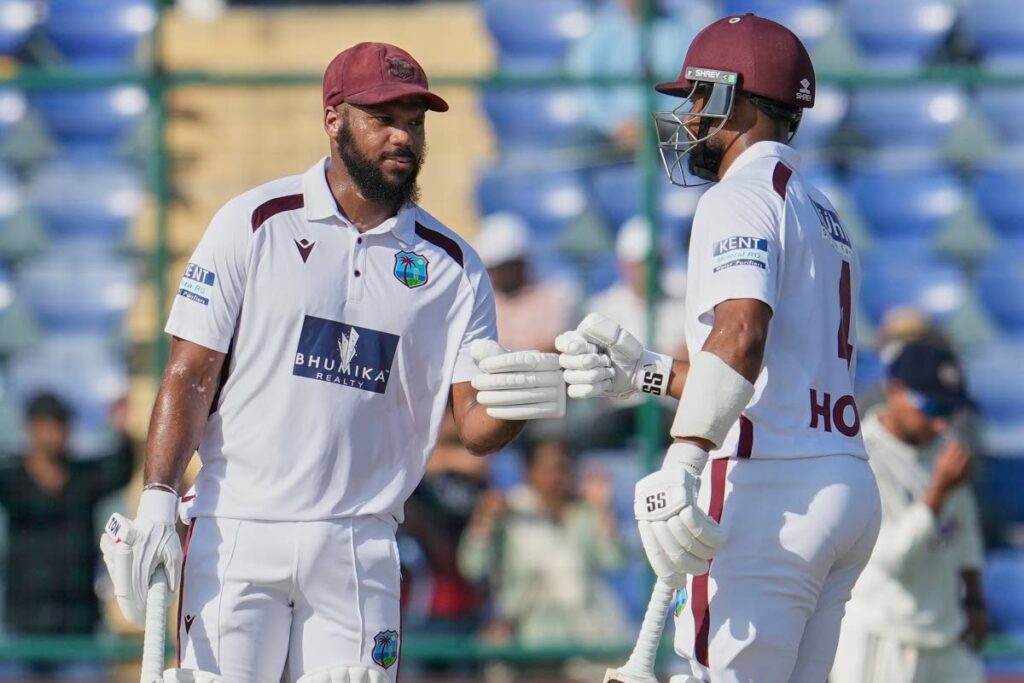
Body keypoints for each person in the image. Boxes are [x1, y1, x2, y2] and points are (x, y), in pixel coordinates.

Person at [99, 42, 565, 683]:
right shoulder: (255, 223)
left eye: (416, 121)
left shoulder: (453, 268)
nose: (404, 136)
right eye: (385, 118)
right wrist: (156, 500)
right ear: (334, 118)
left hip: (360, 542)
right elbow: (189, 373)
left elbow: (476, 426)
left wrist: (523, 404)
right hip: (238, 529)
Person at [557, 14, 881, 683]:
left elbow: (742, 334)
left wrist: (685, 453)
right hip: (841, 477)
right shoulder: (822, 209)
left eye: (697, 97)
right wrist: (645, 374)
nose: (688, 116)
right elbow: (761, 370)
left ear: (735, 97)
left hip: (770, 486)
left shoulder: (739, 197)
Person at [832, 342, 987, 683]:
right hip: (881, 635)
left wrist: (975, 601)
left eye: (949, 411)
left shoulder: (946, 449)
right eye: (931, 407)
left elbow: (965, 530)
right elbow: (892, 558)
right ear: (895, 390)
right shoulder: (859, 455)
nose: (940, 424)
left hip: (948, 636)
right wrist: (938, 492)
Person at [0, 393, 133, 680]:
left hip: (78, 629)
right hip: (23, 629)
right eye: (48, 424)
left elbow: (120, 468)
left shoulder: (82, 478)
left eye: (61, 424)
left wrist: (122, 427)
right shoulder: (13, 479)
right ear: (31, 427)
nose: (56, 433)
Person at [458, 439, 627, 646]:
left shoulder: (584, 515)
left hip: (582, 636)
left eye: (564, 468)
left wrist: (603, 510)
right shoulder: (510, 513)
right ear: (529, 471)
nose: (558, 477)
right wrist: (484, 521)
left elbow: (614, 562)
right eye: (551, 469)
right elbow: (473, 567)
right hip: (524, 635)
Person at [474, 212, 577, 352]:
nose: (496, 275)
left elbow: (553, 348)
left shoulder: (556, 298)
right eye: (491, 269)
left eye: (504, 267)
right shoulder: (482, 303)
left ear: (520, 264)